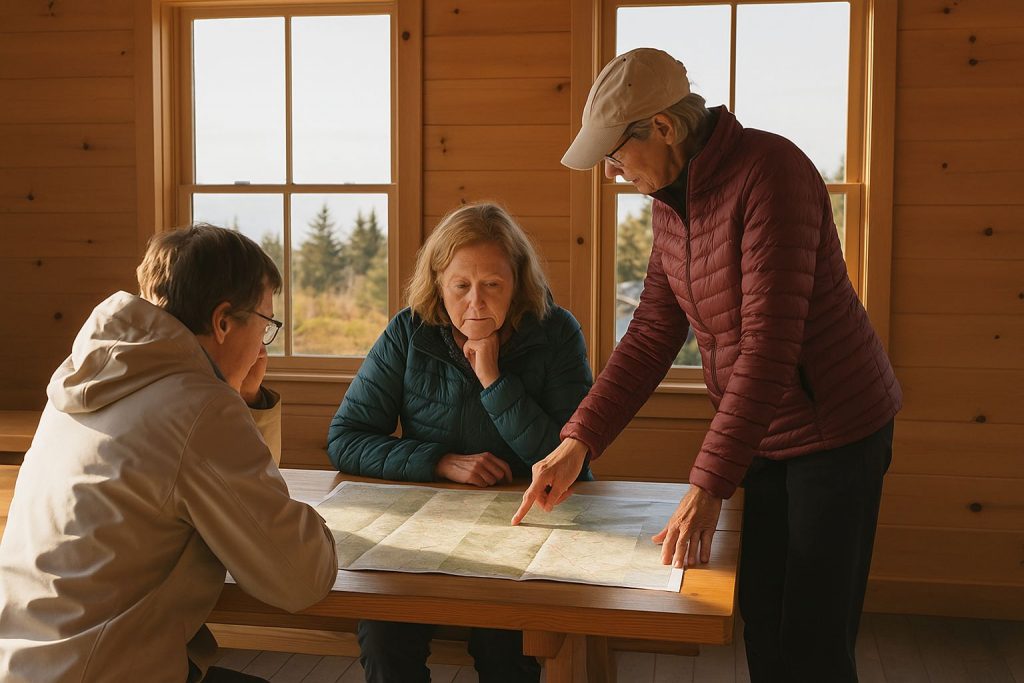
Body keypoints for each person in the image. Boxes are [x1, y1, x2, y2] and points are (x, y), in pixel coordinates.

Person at [512, 48, 902, 682]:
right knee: (764, 619)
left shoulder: (772, 173)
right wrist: (576, 443)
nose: (611, 172)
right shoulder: (673, 200)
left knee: (813, 640)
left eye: (615, 154)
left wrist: (706, 487)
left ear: (663, 128)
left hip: (837, 431)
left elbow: (769, 347)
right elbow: (649, 336)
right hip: (764, 431)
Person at [0, 224, 339, 683]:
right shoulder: (196, 405)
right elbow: (300, 578)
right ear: (223, 321)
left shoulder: (92, 378)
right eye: (266, 324)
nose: (263, 345)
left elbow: (232, 500)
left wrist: (242, 402)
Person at [327, 202, 593, 683]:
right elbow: (346, 439)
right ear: (437, 283)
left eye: (492, 285)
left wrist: (493, 379)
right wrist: (440, 461)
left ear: (517, 282)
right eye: (461, 286)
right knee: (385, 643)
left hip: (524, 531)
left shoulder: (557, 331)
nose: (476, 303)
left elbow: (570, 460)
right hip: (421, 531)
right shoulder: (409, 330)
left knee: (506, 648)